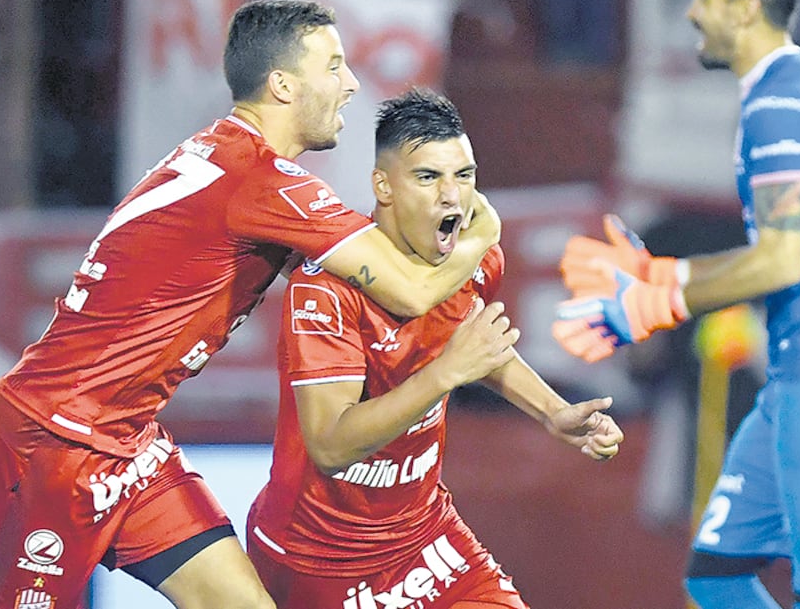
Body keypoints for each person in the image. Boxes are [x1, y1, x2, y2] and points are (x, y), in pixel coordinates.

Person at [0, 0, 503, 609]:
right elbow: (411, 289)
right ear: (283, 84)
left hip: (128, 443)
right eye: (333, 66)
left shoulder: (223, 158)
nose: (351, 83)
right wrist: (482, 230)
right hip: (50, 445)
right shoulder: (261, 181)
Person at [552, 0, 800, 608]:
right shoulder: (728, 200)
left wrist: (665, 292)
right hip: (771, 421)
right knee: (714, 576)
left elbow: (779, 267)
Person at [245, 87, 624, 609]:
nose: (452, 196)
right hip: (316, 562)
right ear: (384, 187)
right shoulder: (326, 290)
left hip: (424, 538)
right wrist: (445, 373)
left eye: (463, 176)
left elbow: (475, 345)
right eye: (428, 177)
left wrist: (553, 412)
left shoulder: (474, 264)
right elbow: (330, 446)